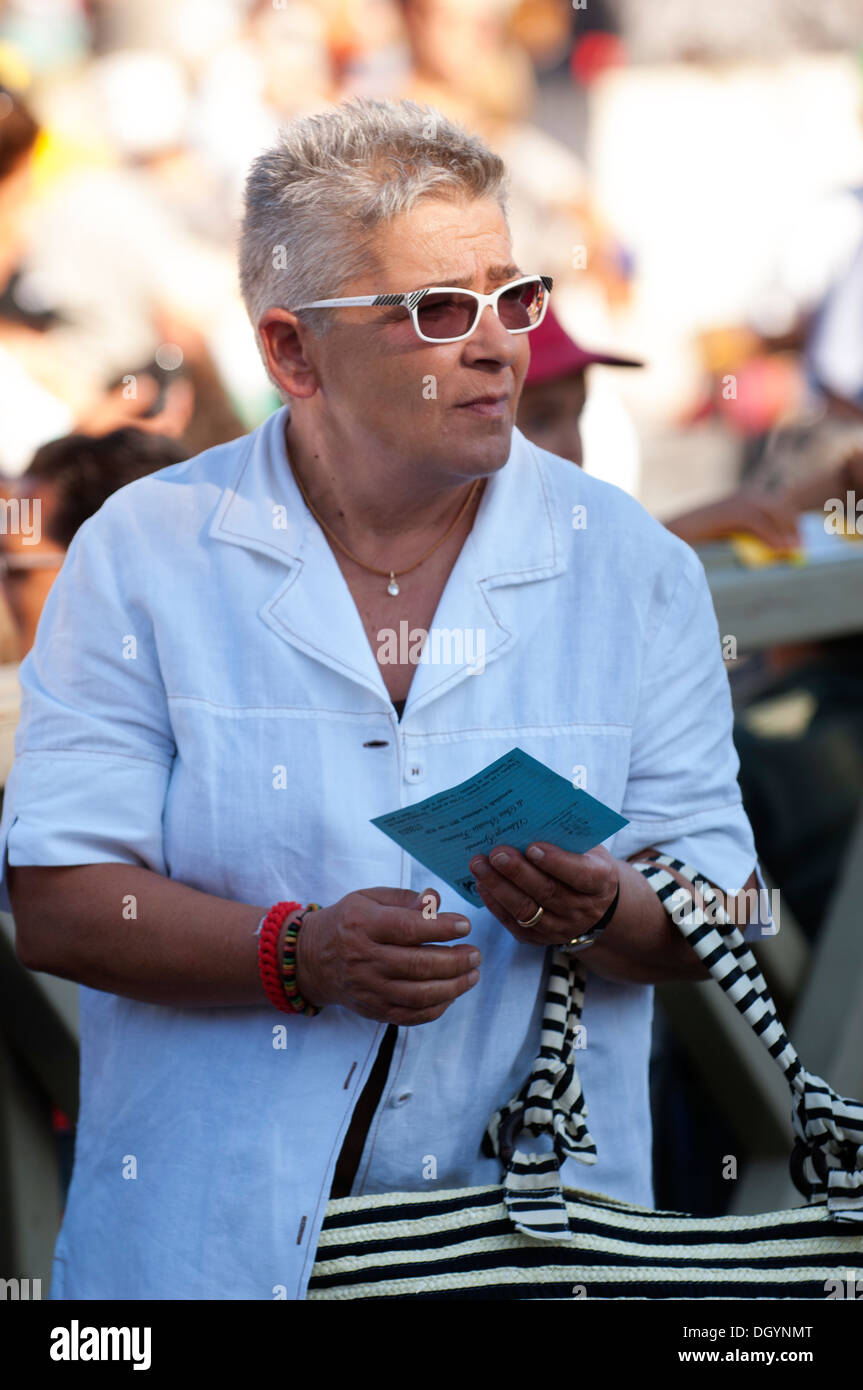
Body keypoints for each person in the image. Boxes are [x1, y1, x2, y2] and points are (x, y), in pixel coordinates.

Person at [1, 97, 769, 1301]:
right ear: (291, 353)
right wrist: (297, 953)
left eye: (514, 298)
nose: (497, 343)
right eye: (435, 310)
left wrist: (605, 902)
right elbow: (56, 901)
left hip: (539, 1248)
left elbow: (728, 902)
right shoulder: (147, 551)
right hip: (211, 1250)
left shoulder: (630, 565)